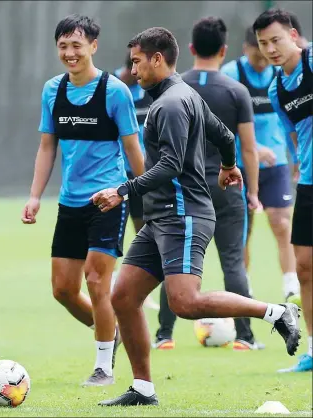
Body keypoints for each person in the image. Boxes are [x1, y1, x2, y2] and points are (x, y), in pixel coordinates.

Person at [90, 27, 301, 406]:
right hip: (160, 218)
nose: (133, 70)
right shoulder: (183, 95)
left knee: (185, 302)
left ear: (158, 59)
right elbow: (223, 134)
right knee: (122, 297)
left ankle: (277, 312)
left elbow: (170, 165)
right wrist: (228, 165)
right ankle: (142, 388)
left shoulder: (170, 104)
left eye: (138, 61)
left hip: (182, 214)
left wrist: (123, 190)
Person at [21, 14, 144, 386]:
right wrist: (34, 196)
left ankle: (103, 365)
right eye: (63, 46)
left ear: (93, 46)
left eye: (77, 45)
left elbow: (132, 149)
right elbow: (47, 147)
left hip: (107, 199)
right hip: (69, 203)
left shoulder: (115, 91)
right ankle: (110, 329)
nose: (69, 53)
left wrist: (142, 190)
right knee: (62, 290)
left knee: (95, 281)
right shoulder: (52, 90)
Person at [153, 16, 264, 352]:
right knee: (232, 260)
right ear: (223, 50)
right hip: (226, 186)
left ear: (190, 49)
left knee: (173, 260)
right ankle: (245, 337)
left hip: (183, 190)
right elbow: (247, 147)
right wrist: (254, 192)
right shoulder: (236, 91)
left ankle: (164, 335)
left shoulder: (173, 87)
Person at [221, 25, 300, 303]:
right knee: (244, 227)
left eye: (269, 48)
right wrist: (253, 147)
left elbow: (291, 119)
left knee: (281, 221)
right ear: (246, 49)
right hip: (240, 166)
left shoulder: (279, 73)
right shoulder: (232, 75)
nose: (265, 56)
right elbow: (222, 124)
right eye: (258, 50)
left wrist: (295, 155)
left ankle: (291, 285)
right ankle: (245, 288)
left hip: (276, 163)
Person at [253, 8, 312, 373]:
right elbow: (293, 137)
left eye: (275, 40)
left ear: (292, 34)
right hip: (307, 181)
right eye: (263, 44)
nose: (270, 49)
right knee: (305, 268)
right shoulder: (276, 88)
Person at [113, 55, 159, 311]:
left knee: (144, 227)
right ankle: (111, 282)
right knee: (113, 231)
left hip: (145, 173)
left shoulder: (151, 91)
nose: (134, 71)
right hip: (118, 175)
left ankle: (141, 287)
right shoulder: (115, 88)